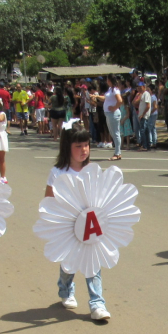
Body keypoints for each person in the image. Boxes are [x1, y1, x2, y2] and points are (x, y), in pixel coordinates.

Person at [44, 125, 111, 320]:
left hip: (91, 226)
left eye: (87, 145)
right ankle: (65, 289)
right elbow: (48, 200)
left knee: (93, 264)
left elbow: (102, 196)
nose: (84, 150)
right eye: (78, 145)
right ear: (67, 147)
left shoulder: (92, 170)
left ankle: (97, 304)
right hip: (67, 228)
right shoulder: (57, 172)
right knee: (69, 263)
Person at [95, 75, 124, 161]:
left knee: (115, 133)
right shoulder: (110, 89)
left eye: (107, 80)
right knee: (113, 133)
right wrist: (96, 96)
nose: (106, 81)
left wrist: (114, 107)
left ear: (110, 80)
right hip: (108, 113)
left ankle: (117, 153)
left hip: (113, 114)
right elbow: (105, 98)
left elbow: (120, 100)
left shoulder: (115, 90)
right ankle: (117, 152)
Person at [137, 81, 153, 152]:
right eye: (138, 88)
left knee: (142, 130)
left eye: (140, 87)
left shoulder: (146, 94)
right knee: (145, 130)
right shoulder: (142, 94)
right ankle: (147, 145)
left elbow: (148, 106)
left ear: (144, 87)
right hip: (142, 115)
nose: (139, 89)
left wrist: (143, 114)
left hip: (144, 115)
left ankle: (144, 145)